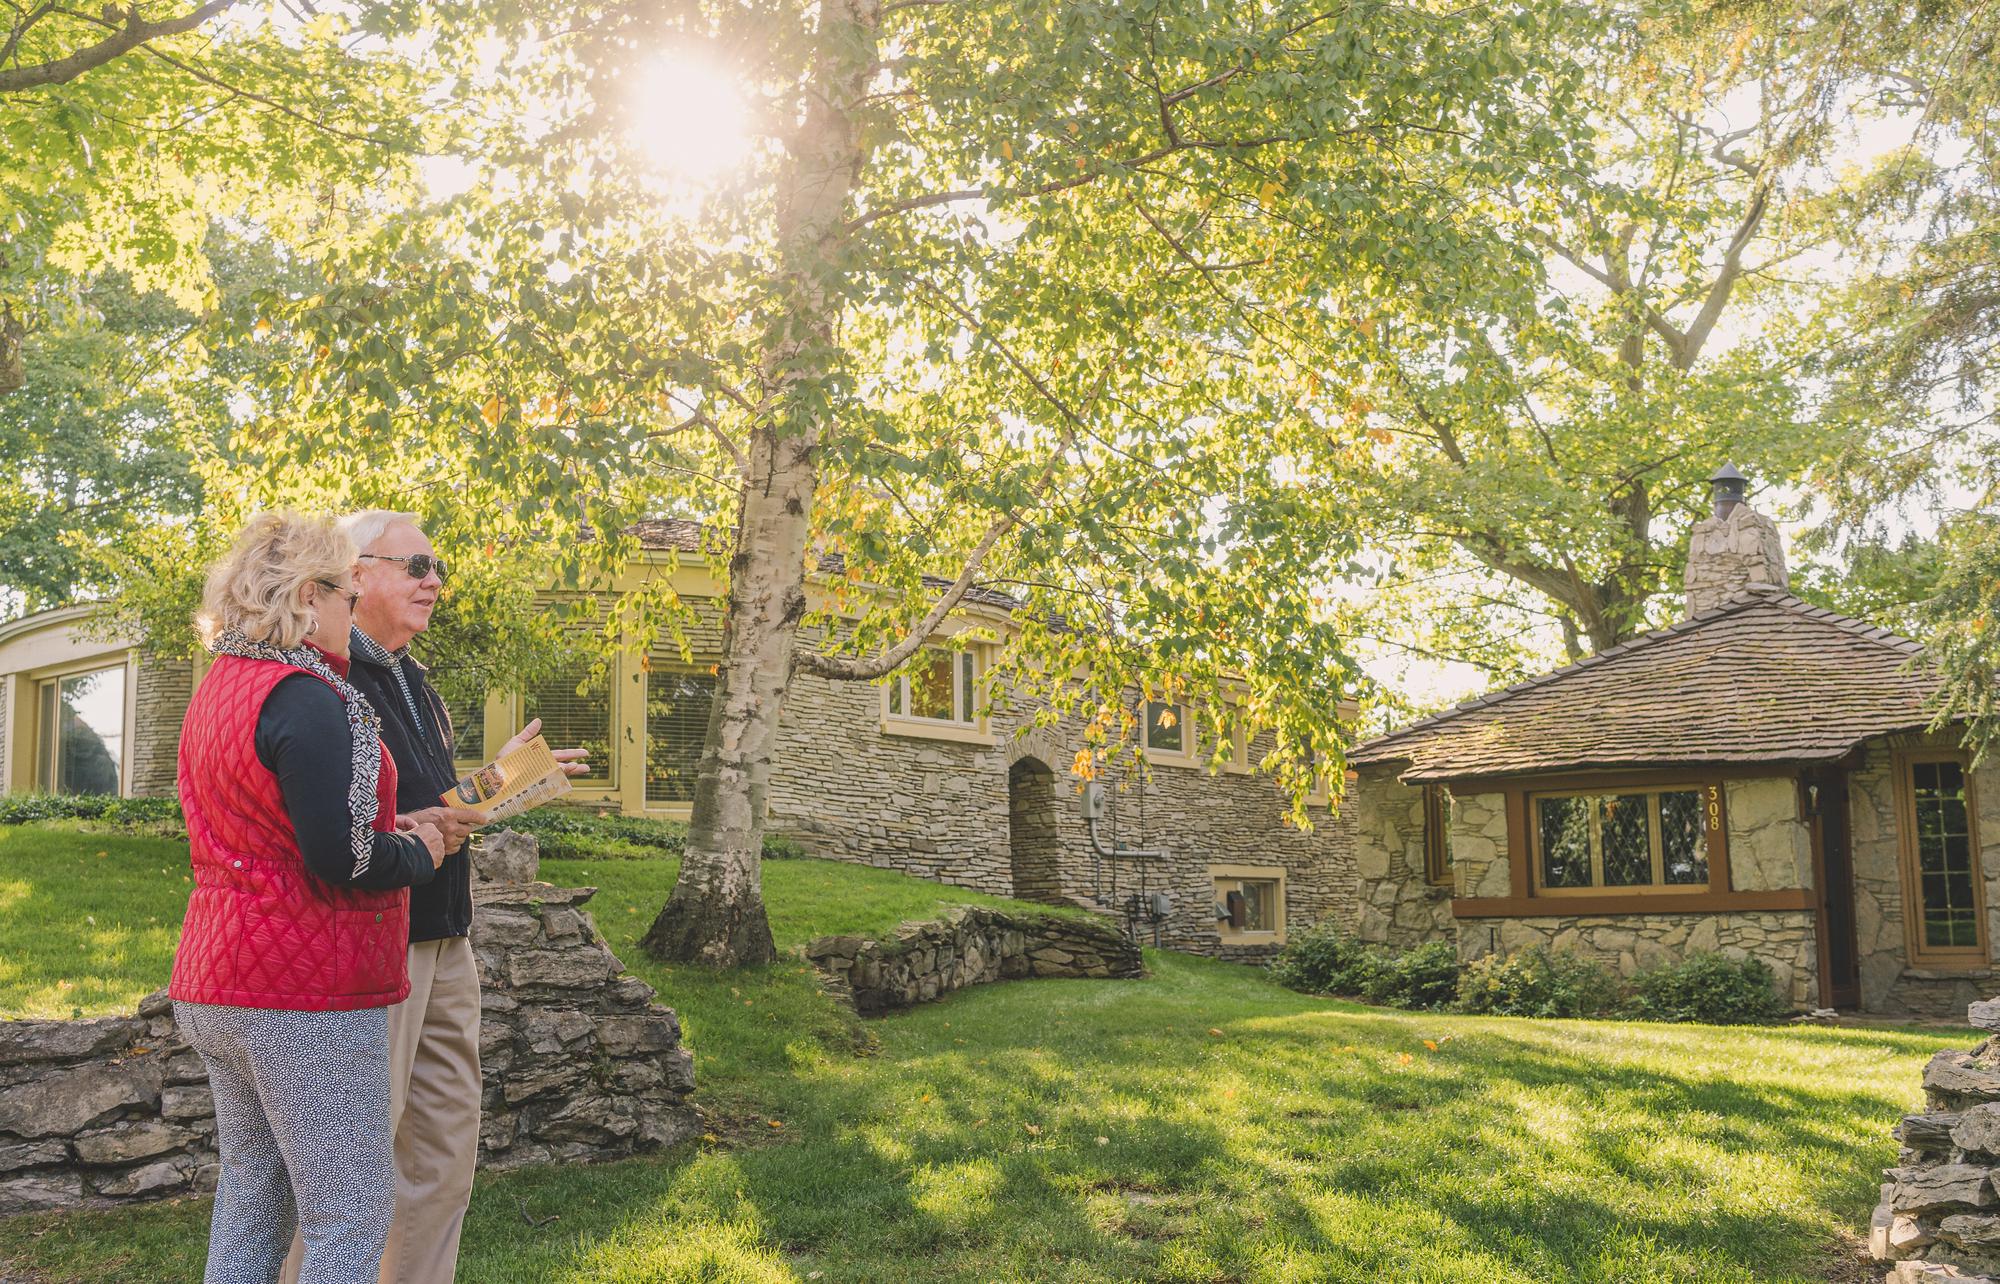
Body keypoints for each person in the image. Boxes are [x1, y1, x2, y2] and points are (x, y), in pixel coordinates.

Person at [278, 510, 586, 1284]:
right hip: (376, 945)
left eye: (436, 568)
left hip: (447, 938)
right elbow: (352, 827)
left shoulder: (413, 678)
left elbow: (438, 806)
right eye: (416, 566)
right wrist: (459, 805)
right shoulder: (329, 673)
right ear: (357, 573)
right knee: (352, 1171)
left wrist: (506, 779)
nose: (434, 582)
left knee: (443, 1159)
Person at [169, 512, 448, 1284]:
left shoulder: (220, 688)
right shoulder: (311, 696)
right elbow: (342, 856)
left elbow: (271, 827)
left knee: (253, 1197)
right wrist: (419, 850)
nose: (351, 609)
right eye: (345, 592)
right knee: (347, 1215)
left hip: (216, 981)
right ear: (310, 594)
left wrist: (398, 828)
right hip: (302, 994)